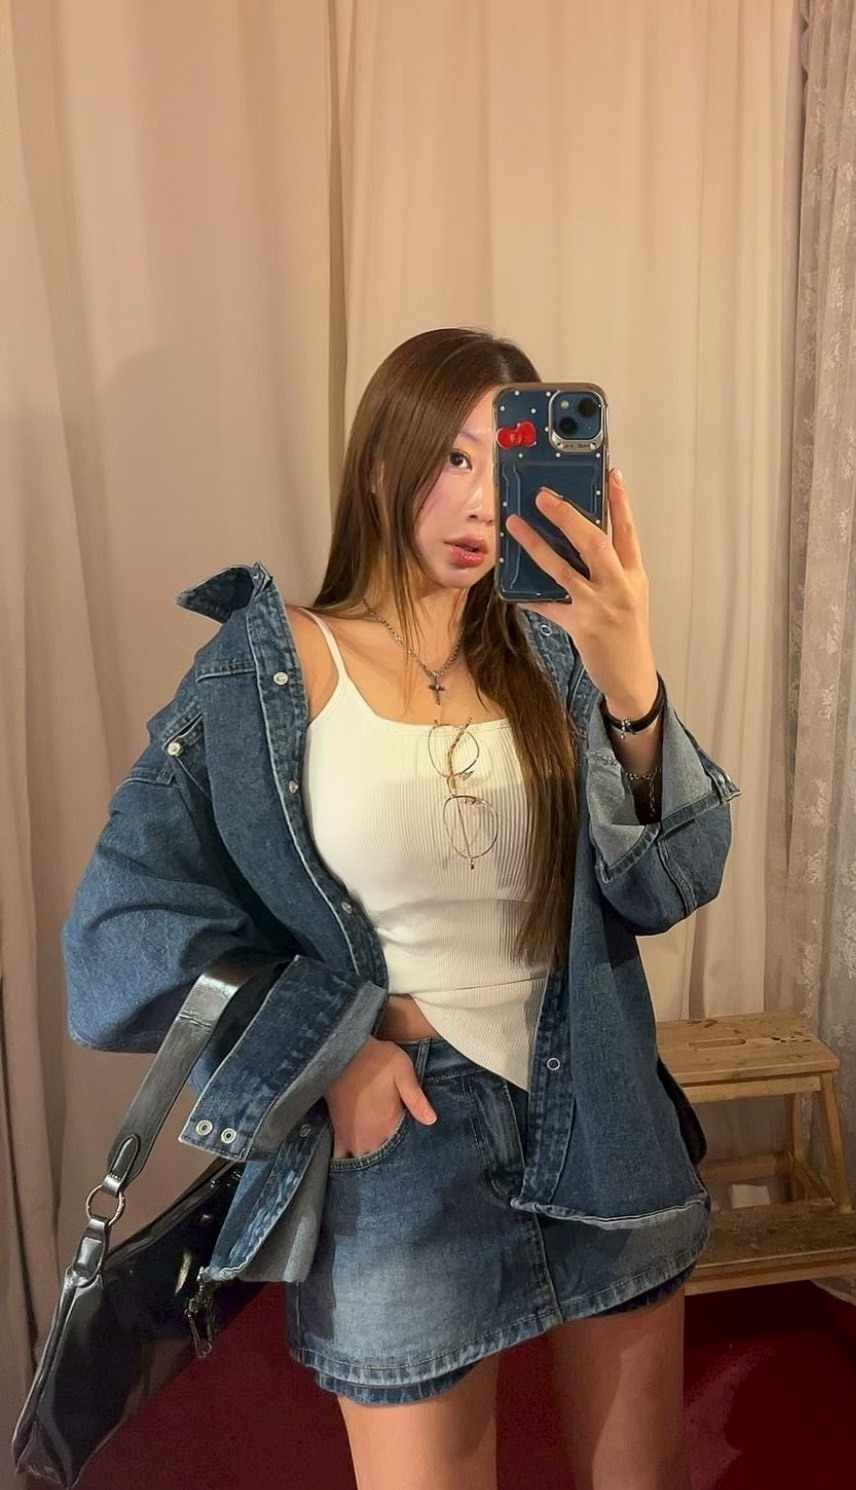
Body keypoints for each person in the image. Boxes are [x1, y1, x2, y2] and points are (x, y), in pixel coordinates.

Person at [63, 327, 740, 1490]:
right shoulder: (268, 668)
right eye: (454, 457)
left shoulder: (556, 662)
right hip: (404, 1145)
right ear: (382, 464)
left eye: (507, 463)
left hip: (600, 1114)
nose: (480, 499)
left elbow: (669, 882)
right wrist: (329, 1055)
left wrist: (630, 673)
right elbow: (116, 934)